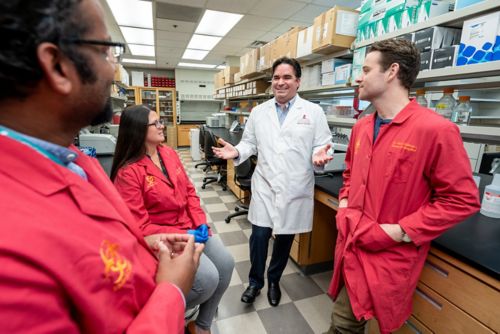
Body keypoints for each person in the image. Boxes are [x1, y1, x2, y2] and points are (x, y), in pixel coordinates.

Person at [0, 0, 204, 333]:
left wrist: (142, 243)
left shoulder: (78, 163)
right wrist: (171, 293)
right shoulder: (8, 264)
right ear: (58, 66)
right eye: (108, 51)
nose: (115, 71)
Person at [326, 39, 481, 334]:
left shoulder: (435, 130)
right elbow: (349, 174)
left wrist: (400, 231)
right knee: (345, 319)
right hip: (351, 242)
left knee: (349, 322)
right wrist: (344, 204)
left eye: (366, 69)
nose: (358, 77)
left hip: (389, 253)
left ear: (391, 72)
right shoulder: (361, 126)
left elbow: (462, 200)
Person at [213, 57, 333, 307]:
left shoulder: (313, 112)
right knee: (258, 236)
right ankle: (255, 282)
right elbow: (249, 143)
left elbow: (322, 145)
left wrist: (320, 157)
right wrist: (236, 151)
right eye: (276, 78)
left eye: (287, 77)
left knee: (285, 238)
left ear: (297, 82)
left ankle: (274, 279)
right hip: (266, 185)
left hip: (295, 186)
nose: (280, 82)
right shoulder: (259, 112)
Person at [111, 105, 234, 334]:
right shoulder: (128, 172)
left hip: (189, 225)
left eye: (160, 121)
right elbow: (141, 228)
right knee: (208, 279)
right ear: (138, 129)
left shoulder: (168, 152)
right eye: (155, 123)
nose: (161, 126)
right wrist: (185, 236)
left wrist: (199, 223)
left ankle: (201, 326)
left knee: (226, 264)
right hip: (165, 238)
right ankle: (160, 318)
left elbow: (188, 191)